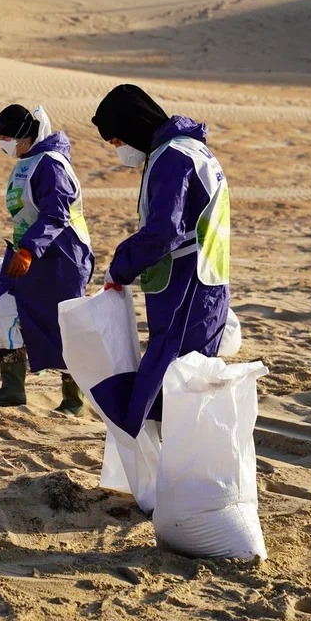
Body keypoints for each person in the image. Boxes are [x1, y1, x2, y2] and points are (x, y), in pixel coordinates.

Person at [91, 84, 230, 438]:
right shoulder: (192, 150)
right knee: (191, 379)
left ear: (133, 126)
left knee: (168, 378)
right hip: (206, 284)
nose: (117, 149)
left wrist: (120, 267)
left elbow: (163, 232)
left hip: (184, 285)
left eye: (117, 140)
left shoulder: (173, 157)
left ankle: (155, 463)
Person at [0, 105, 94, 415]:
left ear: (27, 135)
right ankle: (12, 389)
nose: (3, 143)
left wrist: (28, 250)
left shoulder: (51, 164)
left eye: (7, 137)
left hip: (61, 258)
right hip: (28, 256)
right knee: (4, 311)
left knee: (64, 325)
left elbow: (57, 212)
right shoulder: (27, 161)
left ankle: (73, 400)